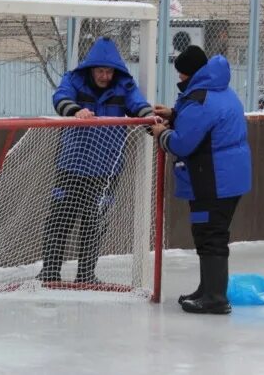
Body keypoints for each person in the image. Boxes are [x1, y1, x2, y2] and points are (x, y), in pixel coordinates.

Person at [37, 36, 153, 284]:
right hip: (73, 164)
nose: (104, 76)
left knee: (94, 223)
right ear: (91, 69)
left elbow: (138, 105)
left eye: (109, 71)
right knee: (61, 218)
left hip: (106, 168)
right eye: (100, 71)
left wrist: (151, 119)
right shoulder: (74, 79)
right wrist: (75, 110)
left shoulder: (124, 85)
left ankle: (86, 274)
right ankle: (50, 271)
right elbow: (60, 98)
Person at [151, 45, 251, 314]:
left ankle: (215, 298)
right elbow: (201, 123)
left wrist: (161, 132)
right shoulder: (220, 91)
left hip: (212, 181)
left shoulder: (200, 100)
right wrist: (175, 114)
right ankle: (207, 290)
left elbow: (182, 143)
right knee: (210, 234)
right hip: (226, 179)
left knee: (211, 236)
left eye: (182, 75)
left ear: (191, 74)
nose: (180, 80)